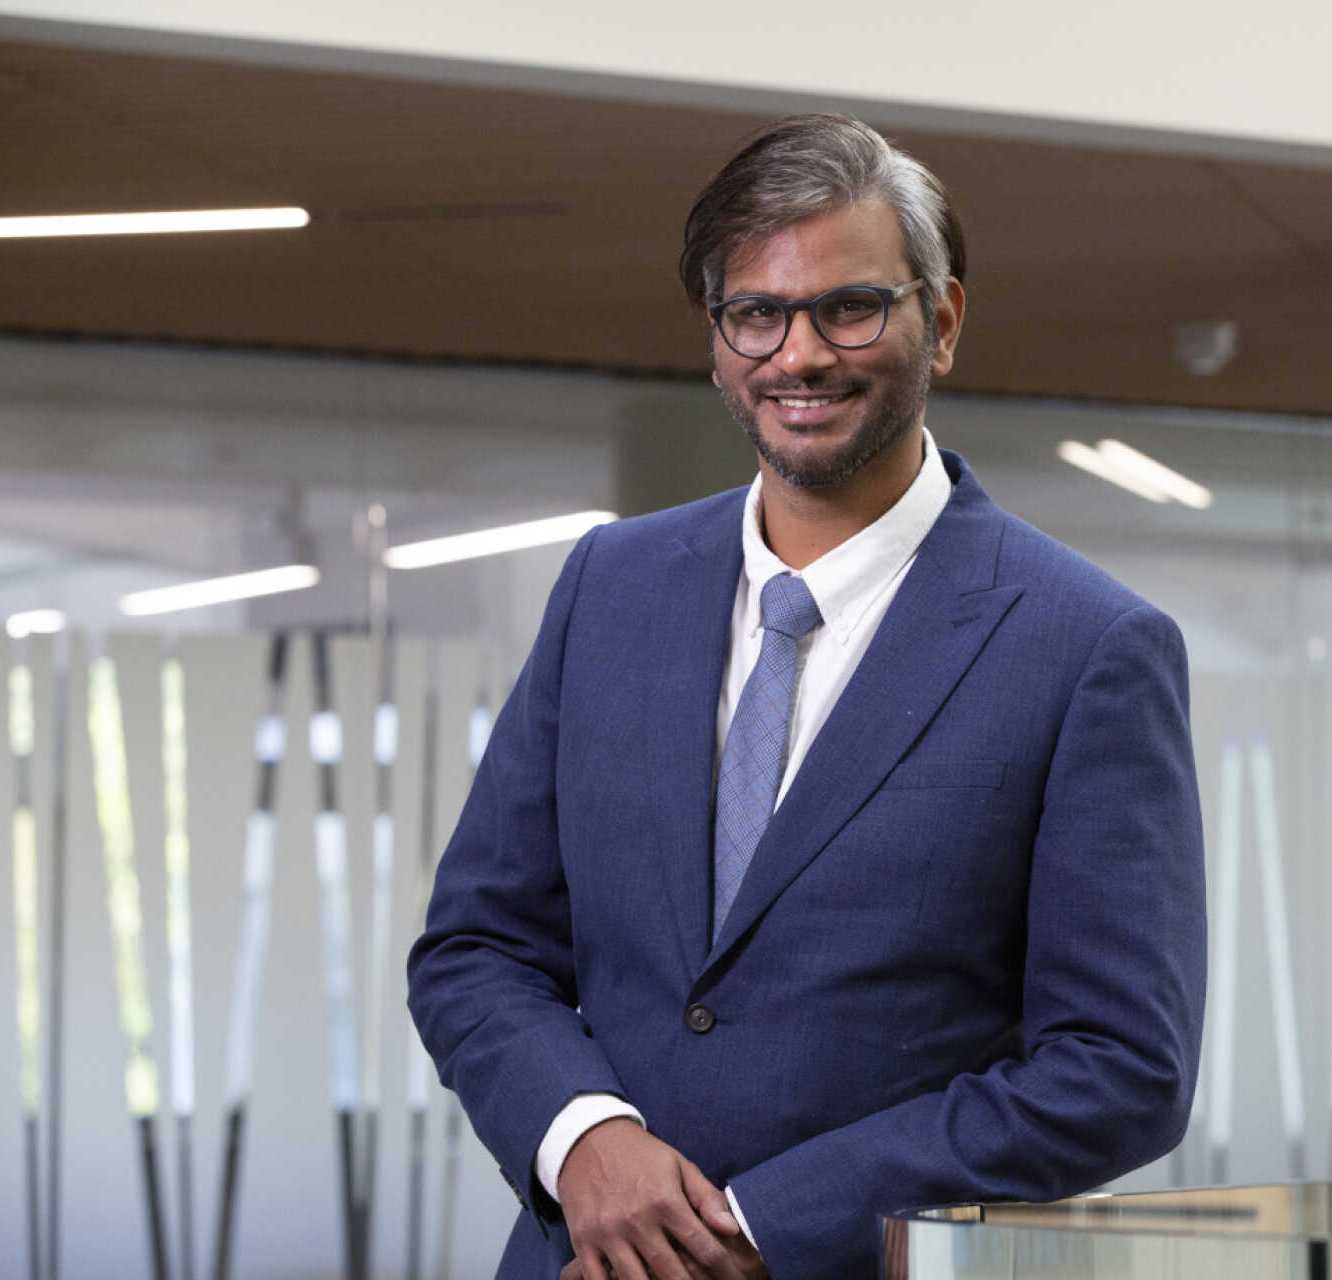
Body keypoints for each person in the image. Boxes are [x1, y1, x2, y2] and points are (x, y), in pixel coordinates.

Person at [407, 114, 1207, 1280]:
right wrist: (586, 1142)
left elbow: (1120, 1065)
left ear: (942, 322)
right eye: (757, 313)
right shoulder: (608, 588)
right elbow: (477, 944)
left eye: (851, 306)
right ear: (719, 338)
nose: (800, 353)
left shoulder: (1088, 646)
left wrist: (762, 1223)